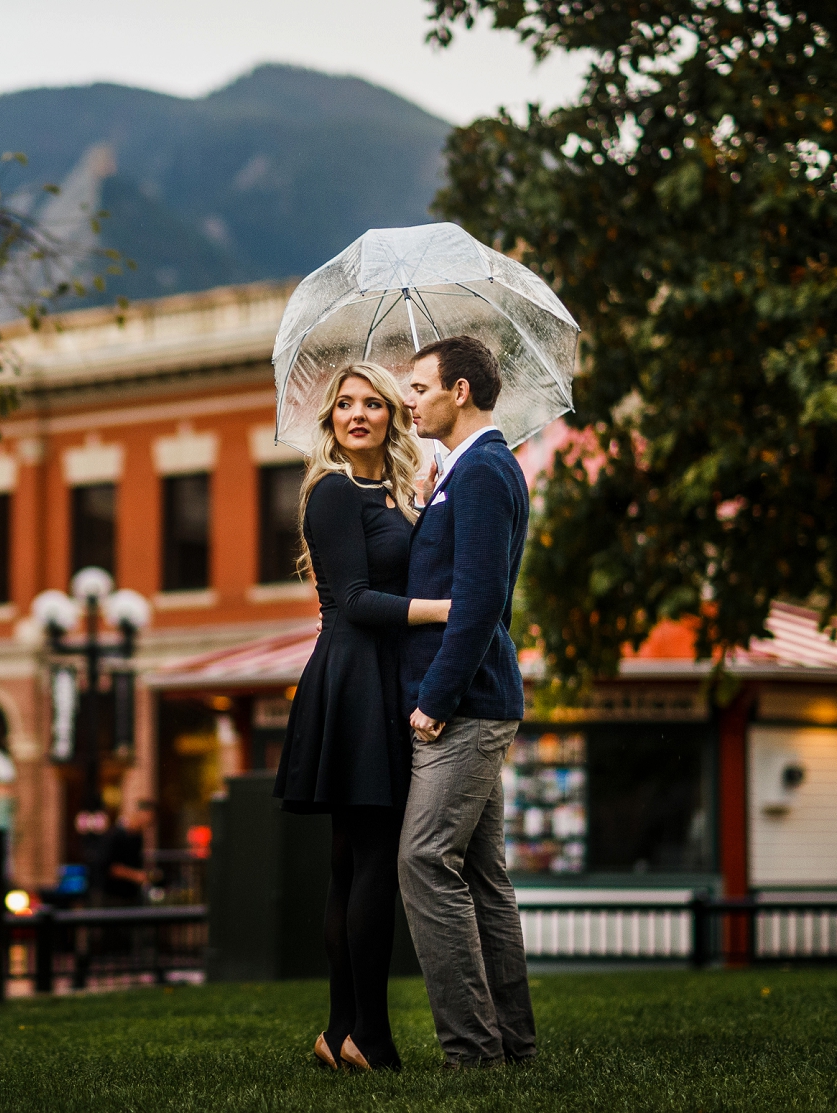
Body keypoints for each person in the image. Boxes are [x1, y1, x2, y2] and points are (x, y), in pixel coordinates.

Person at [274, 362, 453, 1074]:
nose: (357, 414)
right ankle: (368, 1037)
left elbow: (403, 564)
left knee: (353, 863)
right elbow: (352, 599)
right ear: (331, 420)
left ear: (391, 415)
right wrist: (446, 609)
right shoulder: (331, 492)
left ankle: (338, 1030)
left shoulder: (394, 493)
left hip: (385, 676)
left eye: (372, 403)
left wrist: (424, 509)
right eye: (344, 403)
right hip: (352, 679)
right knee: (371, 858)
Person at [398, 334, 536, 1068]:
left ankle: (472, 1050)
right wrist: (428, 504)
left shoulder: (481, 469)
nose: (408, 400)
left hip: (466, 704)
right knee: (483, 877)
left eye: (419, 388)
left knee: (423, 860)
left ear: (458, 391)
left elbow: (478, 600)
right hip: (481, 700)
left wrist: (434, 698)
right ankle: (510, 1045)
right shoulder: (468, 470)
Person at [103, 800, 155, 906]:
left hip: (130, 895)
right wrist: (136, 876)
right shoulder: (116, 835)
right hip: (114, 896)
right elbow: (111, 867)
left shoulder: (138, 837)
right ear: (139, 814)